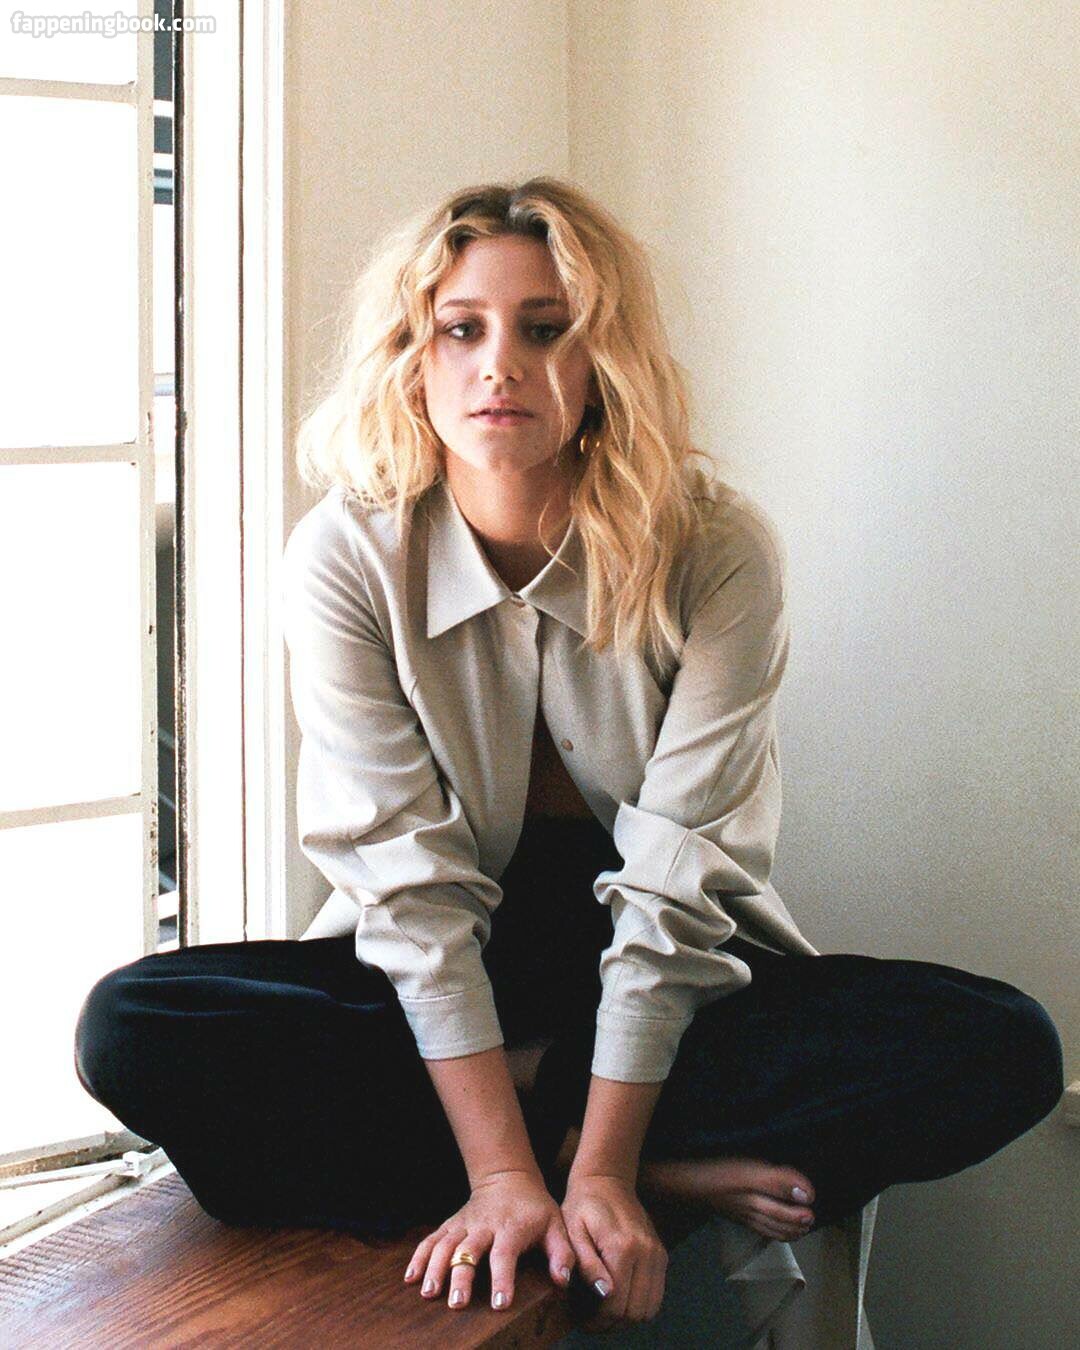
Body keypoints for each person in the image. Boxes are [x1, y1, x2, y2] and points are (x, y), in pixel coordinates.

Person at [74, 177, 1064, 1332]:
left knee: (1006, 1048)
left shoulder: (715, 547)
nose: (500, 365)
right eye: (461, 328)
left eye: (546, 329)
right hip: (434, 979)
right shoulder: (346, 555)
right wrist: (510, 1175)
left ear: (604, 360)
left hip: (672, 978)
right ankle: (638, 1159)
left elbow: (676, 890)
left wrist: (601, 1169)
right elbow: (411, 897)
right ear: (412, 359)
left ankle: (571, 1124)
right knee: (133, 1031)